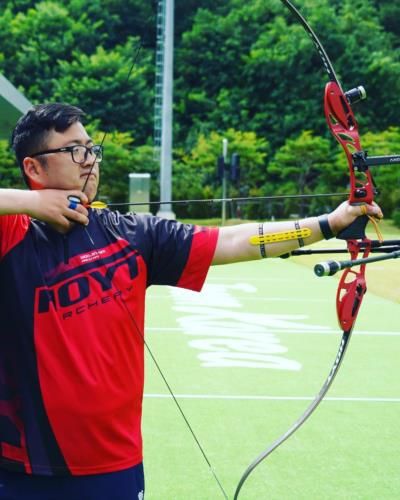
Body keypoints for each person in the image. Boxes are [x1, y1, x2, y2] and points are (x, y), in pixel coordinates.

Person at [0, 103, 382, 500]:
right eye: (74, 150)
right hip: (25, 466)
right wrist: (32, 204)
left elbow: (236, 240)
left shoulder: (130, 233)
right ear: (34, 168)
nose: (90, 161)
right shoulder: (11, 234)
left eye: (92, 148)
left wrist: (328, 223)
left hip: (114, 463)